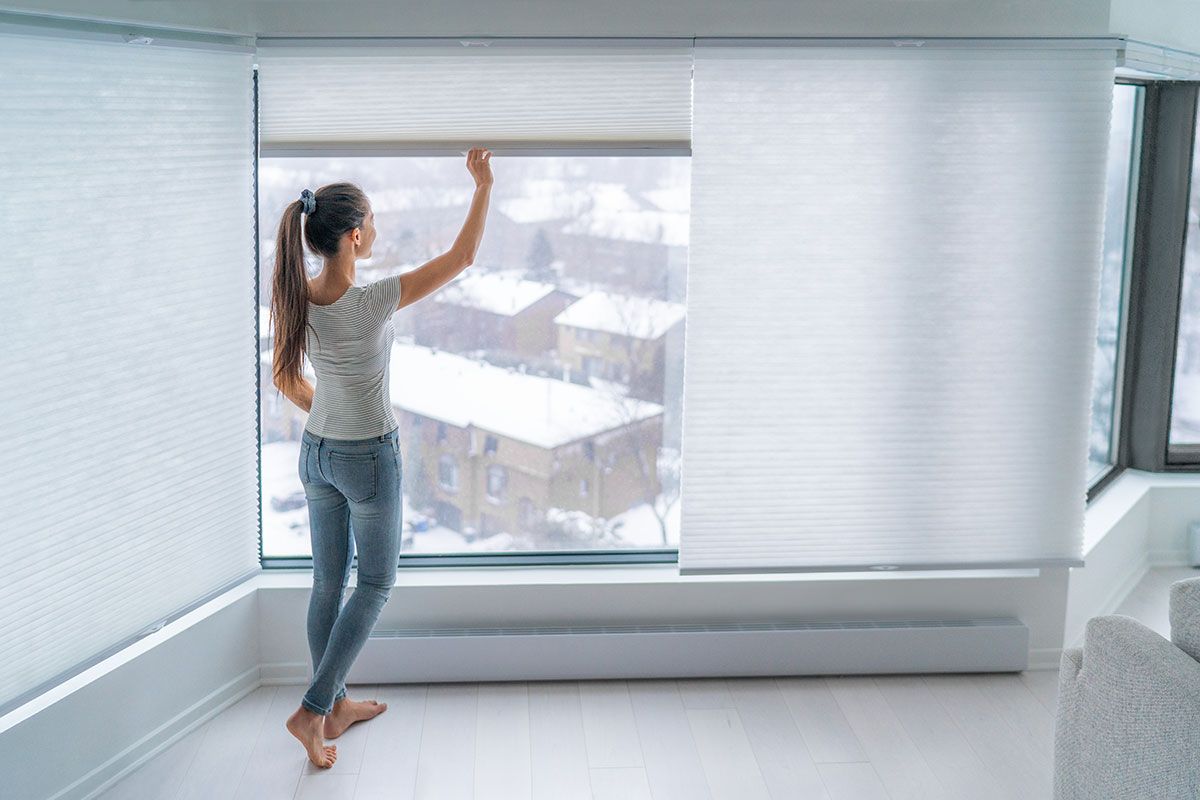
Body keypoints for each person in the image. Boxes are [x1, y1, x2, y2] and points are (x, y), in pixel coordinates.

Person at [271, 147, 493, 768]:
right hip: (367, 457)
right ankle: (314, 709)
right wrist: (483, 185)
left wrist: (331, 411)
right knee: (374, 584)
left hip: (315, 454)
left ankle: (334, 708)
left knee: (326, 582)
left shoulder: (295, 300)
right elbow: (463, 258)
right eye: (373, 221)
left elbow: (285, 380)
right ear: (355, 235)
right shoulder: (372, 302)